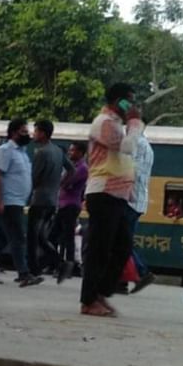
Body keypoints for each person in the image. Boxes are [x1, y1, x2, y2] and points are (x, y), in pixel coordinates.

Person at [79, 82, 143, 317]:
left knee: (122, 246)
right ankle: (88, 300)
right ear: (118, 101)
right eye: (129, 100)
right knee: (99, 249)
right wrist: (135, 123)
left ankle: (100, 292)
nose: (132, 105)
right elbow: (126, 148)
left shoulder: (116, 124)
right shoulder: (103, 123)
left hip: (117, 195)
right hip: (103, 192)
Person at [0, 119, 42, 288]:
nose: (27, 134)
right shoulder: (5, 151)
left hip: (18, 201)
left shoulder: (22, 152)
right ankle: (23, 273)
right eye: (23, 131)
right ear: (13, 132)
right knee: (18, 237)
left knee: (1, 237)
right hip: (9, 201)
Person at [27, 120, 69, 278]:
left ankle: (34, 270)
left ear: (43, 133)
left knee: (33, 236)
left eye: (36, 131)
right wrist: (59, 184)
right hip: (52, 200)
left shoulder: (41, 152)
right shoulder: (58, 151)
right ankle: (59, 262)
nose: (34, 134)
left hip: (39, 199)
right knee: (41, 236)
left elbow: (34, 177)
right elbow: (70, 169)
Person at [125, 122, 156, 294]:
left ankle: (142, 272)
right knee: (124, 240)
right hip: (138, 200)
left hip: (131, 199)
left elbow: (132, 171)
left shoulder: (138, 144)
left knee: (122, 241)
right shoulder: (147, 146)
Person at [55, 141, 88, 283]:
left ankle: (67, 265)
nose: (70, 153)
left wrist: (63, 181)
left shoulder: (82, 168)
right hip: (63, 204)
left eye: (73, 150)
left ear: (81, 152)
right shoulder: (73, 166)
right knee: (58, 235)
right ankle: (59, 263)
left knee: (67, 237)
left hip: (71, 205)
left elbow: (65, 182)